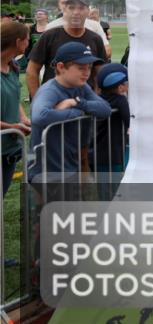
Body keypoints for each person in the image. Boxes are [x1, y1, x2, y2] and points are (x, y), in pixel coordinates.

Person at [27, 41, 111, 186]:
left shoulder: (82, 87)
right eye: (80, 68)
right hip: (47, 171)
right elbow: (40, 116)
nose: (87, 73)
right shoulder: (50, 90)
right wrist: (79, 113)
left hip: (70, 165)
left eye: (89, 68)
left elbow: (105, 109)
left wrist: (76, 102)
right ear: (61, 67)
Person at [27, 0, 108, 98]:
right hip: (54, 101)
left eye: (81, 8)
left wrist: (96, 97)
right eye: (71, 8)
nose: (76, 12)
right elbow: (32, 70)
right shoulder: (49, 36)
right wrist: (37, 100)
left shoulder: (95, 39)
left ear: (88, 12)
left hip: (85, 102)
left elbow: (99, 73)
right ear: (64, 11)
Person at [1, 22, 31, 197]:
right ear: (18, 42)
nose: (28, 44)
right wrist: (10, 128)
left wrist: (23, 118)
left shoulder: (13, 67)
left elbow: (14, 96)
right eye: (27, 40)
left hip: (8, 149)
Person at [92, 63, 129, 196]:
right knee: (117, 187)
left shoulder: (98, 99)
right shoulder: (120, 100)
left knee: (103, 188)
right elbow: (129, 120)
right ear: (120, 87)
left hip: (98, 152)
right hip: (115, 153)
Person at [46, 0, 110, 58]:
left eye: (71, 2)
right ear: (59, 5)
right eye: (64, 3)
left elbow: (107, 52)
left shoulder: (94, 26)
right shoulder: (50, 27)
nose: (67, 5)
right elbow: (41, 56)